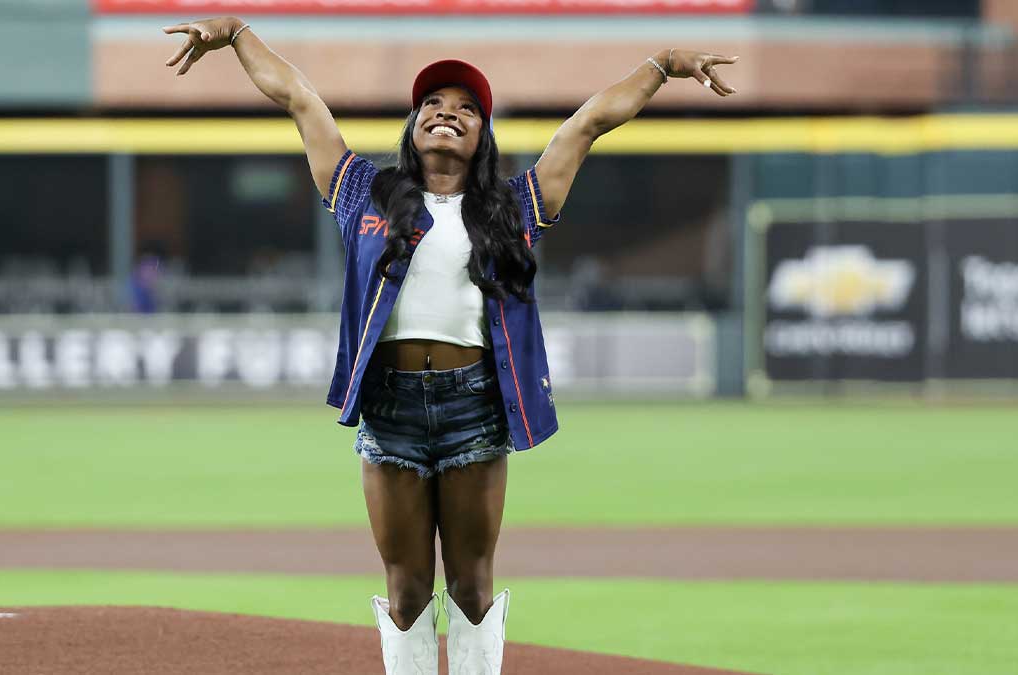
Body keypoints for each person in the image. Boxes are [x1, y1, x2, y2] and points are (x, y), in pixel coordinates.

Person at [162, 19, 737, 675]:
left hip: (475, 409)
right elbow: (297, 97)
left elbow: (587, 124)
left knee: (470, 588)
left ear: (483, 136)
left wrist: (662, 64)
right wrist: (236, 34)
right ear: (413, 125)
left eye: (466, 109)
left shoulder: (514, 204)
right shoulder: (363, 191)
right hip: (391, 411)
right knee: (407, 592)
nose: (446, 113)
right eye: (432, 104)